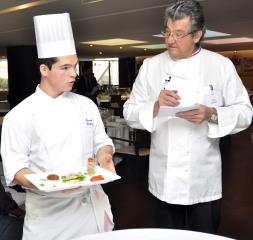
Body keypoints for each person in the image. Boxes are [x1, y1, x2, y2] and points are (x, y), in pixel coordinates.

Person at [123, 0, 253, 234]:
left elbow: (245, 112)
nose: (170, 40)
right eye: (168, 32)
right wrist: (155, 106)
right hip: (164, 178)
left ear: (197, 35)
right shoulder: (151, 66)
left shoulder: (220, 65)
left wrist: (212, 114)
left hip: (203, 179)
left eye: (179, 34)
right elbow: (129, 111)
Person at [1, 13, 115, 240]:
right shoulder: (20, 115)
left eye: (74, 65)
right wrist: (50, 185)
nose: (74, 74)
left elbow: (102, 142)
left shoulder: (86, 105)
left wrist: (106, 157)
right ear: (44, 69)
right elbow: (16, 170)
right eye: (65, 68)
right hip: (49, 216)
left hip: (90, 208)